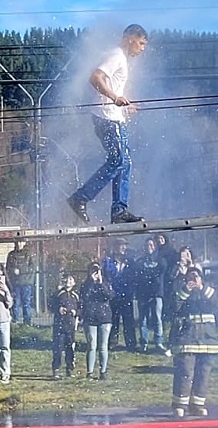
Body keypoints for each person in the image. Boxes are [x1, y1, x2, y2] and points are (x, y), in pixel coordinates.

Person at [67, 23, 149, 224]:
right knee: (119, 161)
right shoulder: (117, 55)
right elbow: (95, 78)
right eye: (140, 43)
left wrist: (122, 102)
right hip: (108, 118)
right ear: (130, 38)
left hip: (112, 116)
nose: (142, 49)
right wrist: (114, 98)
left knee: (124, 162)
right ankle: (81, 198)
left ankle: (119, 210)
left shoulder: (119, 57)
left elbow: (109, 86)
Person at [169, 266, 218, 418]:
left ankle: (198, 404)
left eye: (196, 277)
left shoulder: (209, 290)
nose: (193, 280)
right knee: (185, 372)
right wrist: (186, 290)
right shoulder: (180, 291)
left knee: (203, 373)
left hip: (208, 339)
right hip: (187, 338)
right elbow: (173, 306)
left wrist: (202, 287)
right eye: (190, 277)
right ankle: (180, 405)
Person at [132, 236, 170, 355]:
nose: (149, 248)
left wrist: (149, 274)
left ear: (155, 247)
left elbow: (160, 271)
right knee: (143, 319)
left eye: (151, 245)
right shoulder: (140, 261)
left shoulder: (161, 260)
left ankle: (158, 342)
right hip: (143, 294)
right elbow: (138, 275)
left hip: (156, 294)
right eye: (147, 245)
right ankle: (144, 343)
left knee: (157, 318)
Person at [79, 261, 114, 380]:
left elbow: (109, 296)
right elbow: (84, 297)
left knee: (103, 346)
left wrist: (100, 283)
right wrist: (91, 282)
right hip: (90, 317)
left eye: (97, 271)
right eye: (92, 271)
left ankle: (103, 371)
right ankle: (90, 372)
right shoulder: (85, 285)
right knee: (91, 345)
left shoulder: (106, 283)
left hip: (104, 317)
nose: (95, 273)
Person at [103, 239, 136, 352]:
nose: (123, 248)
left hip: (126, 295)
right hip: (114, 295)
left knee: (128, 320)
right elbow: (106, 275)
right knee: (114, 320)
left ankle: (131, 344)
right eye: (121, 246)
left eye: (124, 246)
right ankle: (112, 342)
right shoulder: (109, 261)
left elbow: (133, 277)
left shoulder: (130, 262)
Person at [51, 275, 80, 379]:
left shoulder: (75, 295)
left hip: (71, 326)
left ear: (74, 283)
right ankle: (56, 369)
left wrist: (75, 312)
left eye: (71, 279)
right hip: (59, 325)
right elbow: (51, 305)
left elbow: (81, 308)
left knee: (70, 349)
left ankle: (69, 368)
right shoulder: (58, 294)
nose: (68, 281)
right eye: (67, 279)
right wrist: (58, 309)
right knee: (58, 348)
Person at [5, 241, 36, 326]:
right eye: (17, 242)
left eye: (21, 242)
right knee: (16, 302)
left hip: (26, 282)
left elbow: (32, 267)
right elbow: (7, 268)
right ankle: (16, 321)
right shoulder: (11, 255)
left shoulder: (29, 254)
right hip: (15, 283)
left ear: (24, 243)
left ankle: (27, 322)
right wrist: (12, 271)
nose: (19, 244)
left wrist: (21, 271)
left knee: (26, 302)